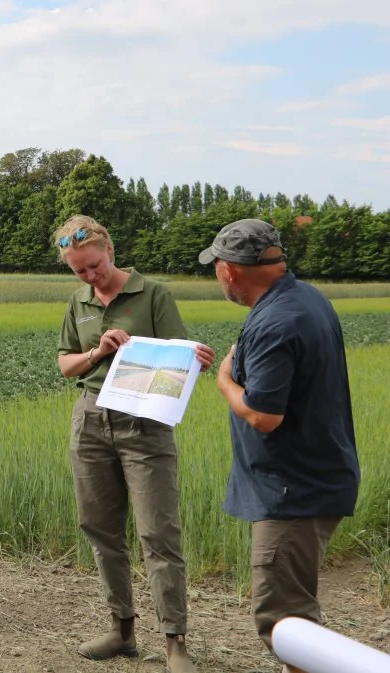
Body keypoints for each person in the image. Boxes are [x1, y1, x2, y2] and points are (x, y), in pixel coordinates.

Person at [53, 215, 213, 673]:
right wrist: (98, 351)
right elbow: (66, 365)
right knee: (100, 528)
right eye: (79, 270)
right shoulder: (78, 302)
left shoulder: (153, 293)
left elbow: (181, 354)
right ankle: (121, 630)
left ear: (111, 252)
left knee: (157, 532)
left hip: (145, 423)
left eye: (95, 266)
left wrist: (197, 358)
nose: (89, 276)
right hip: (90, 418)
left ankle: (174, 642)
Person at [199, 219, 359, 671]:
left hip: (293, 493)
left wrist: (225, 380)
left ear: (229, 270)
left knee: (285, 624)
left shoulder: (276, 321)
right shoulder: (303, 297)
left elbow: (264, 415)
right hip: (314, 480)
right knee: (294, 618)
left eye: (216, 267)